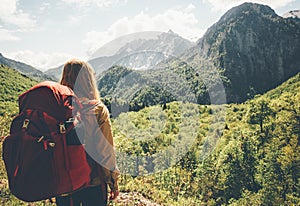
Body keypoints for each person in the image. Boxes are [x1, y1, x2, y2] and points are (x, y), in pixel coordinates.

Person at [57, 59, 119, 206]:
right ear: (88, 79)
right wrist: (113, 182)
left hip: (64, 183)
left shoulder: (57, 108)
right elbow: (106, 151)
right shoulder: (97, 109)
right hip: (93, 182)